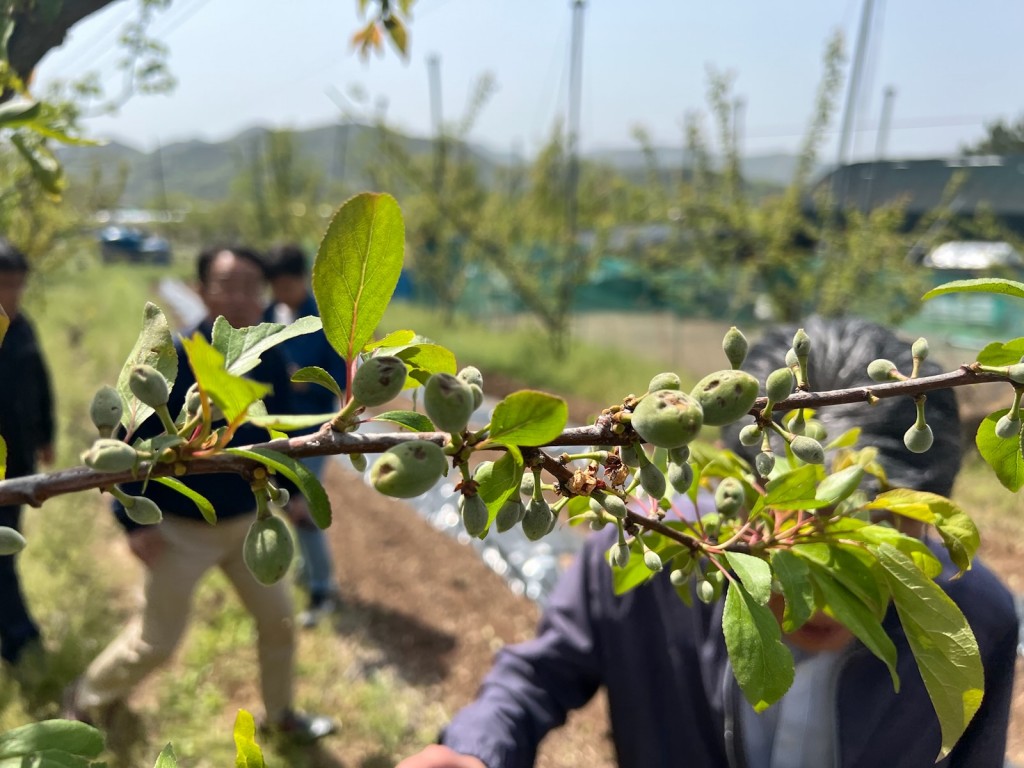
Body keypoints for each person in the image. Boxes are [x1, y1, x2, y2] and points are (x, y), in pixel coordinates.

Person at [395, 315, 1018, 768]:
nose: (819, 604)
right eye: (784, 535)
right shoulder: (651, 549)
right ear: (736, 491)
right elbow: (540, 674)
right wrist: (474, 750)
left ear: (925, 519)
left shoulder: (974, 620)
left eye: (867, 541)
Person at [64, 245, 335, 742]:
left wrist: (293, 491)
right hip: (179, 531)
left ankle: (282, 717)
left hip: (250, 525)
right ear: (201, 290)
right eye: (227, 284)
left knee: (279, 623)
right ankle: (84, 701)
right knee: (156, 642)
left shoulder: (268, 355)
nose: (240, 297)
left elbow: (278, 436)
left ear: (263, 296)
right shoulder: (173, 360)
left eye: (251, 286)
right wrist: (132, 522)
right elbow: (125, 442)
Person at [263, 243, 347, 628]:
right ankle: (306, 568)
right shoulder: (269, 315)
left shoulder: (324, 320)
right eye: (275, 286)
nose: (281, 292)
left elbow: (339, 380)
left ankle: (322, 590)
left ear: (301, 280)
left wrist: (300, 382)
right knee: (288, 503)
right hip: (276, 430)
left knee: (303, 511)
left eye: (287, 284)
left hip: (312, 433)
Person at [0, 239, 54, 670]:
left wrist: (47, 434)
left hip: (18, 465)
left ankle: (17, 638)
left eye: (18, 285)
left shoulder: (23, 328)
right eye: (5, 285)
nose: (12, 295)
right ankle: (20, 639)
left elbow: (40, 381)